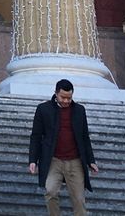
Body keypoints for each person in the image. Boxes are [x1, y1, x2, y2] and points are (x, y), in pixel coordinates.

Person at [28, 78, 99, 216]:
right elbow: (36, 136)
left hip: (75, 161)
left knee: (79, 199)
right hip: (53, 160)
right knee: (50, 191)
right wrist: (33, 160)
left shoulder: (79, 110)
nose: (66, 101)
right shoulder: (43, 109)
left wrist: (91, 161)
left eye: (69, 98)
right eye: (63, 97)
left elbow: (85, 137)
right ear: (56, 93)